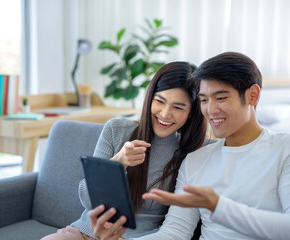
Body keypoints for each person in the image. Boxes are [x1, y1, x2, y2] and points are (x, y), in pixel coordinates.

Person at [90, 52, 290, 240]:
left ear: (252, 96)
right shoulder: (196, 159)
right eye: (204, 100)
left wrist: (217, 205)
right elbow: (175, 233)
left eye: (221, 98)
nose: (210, 110)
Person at [41, 61, 207, 240]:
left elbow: (176, 228)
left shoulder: (193, 153)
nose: (165, 114)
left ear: (191, 112)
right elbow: (88, 200)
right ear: (150, 98)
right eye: (160, 101)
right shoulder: (116, 129)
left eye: (178, 107)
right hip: (85, 232)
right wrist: (118, 162)